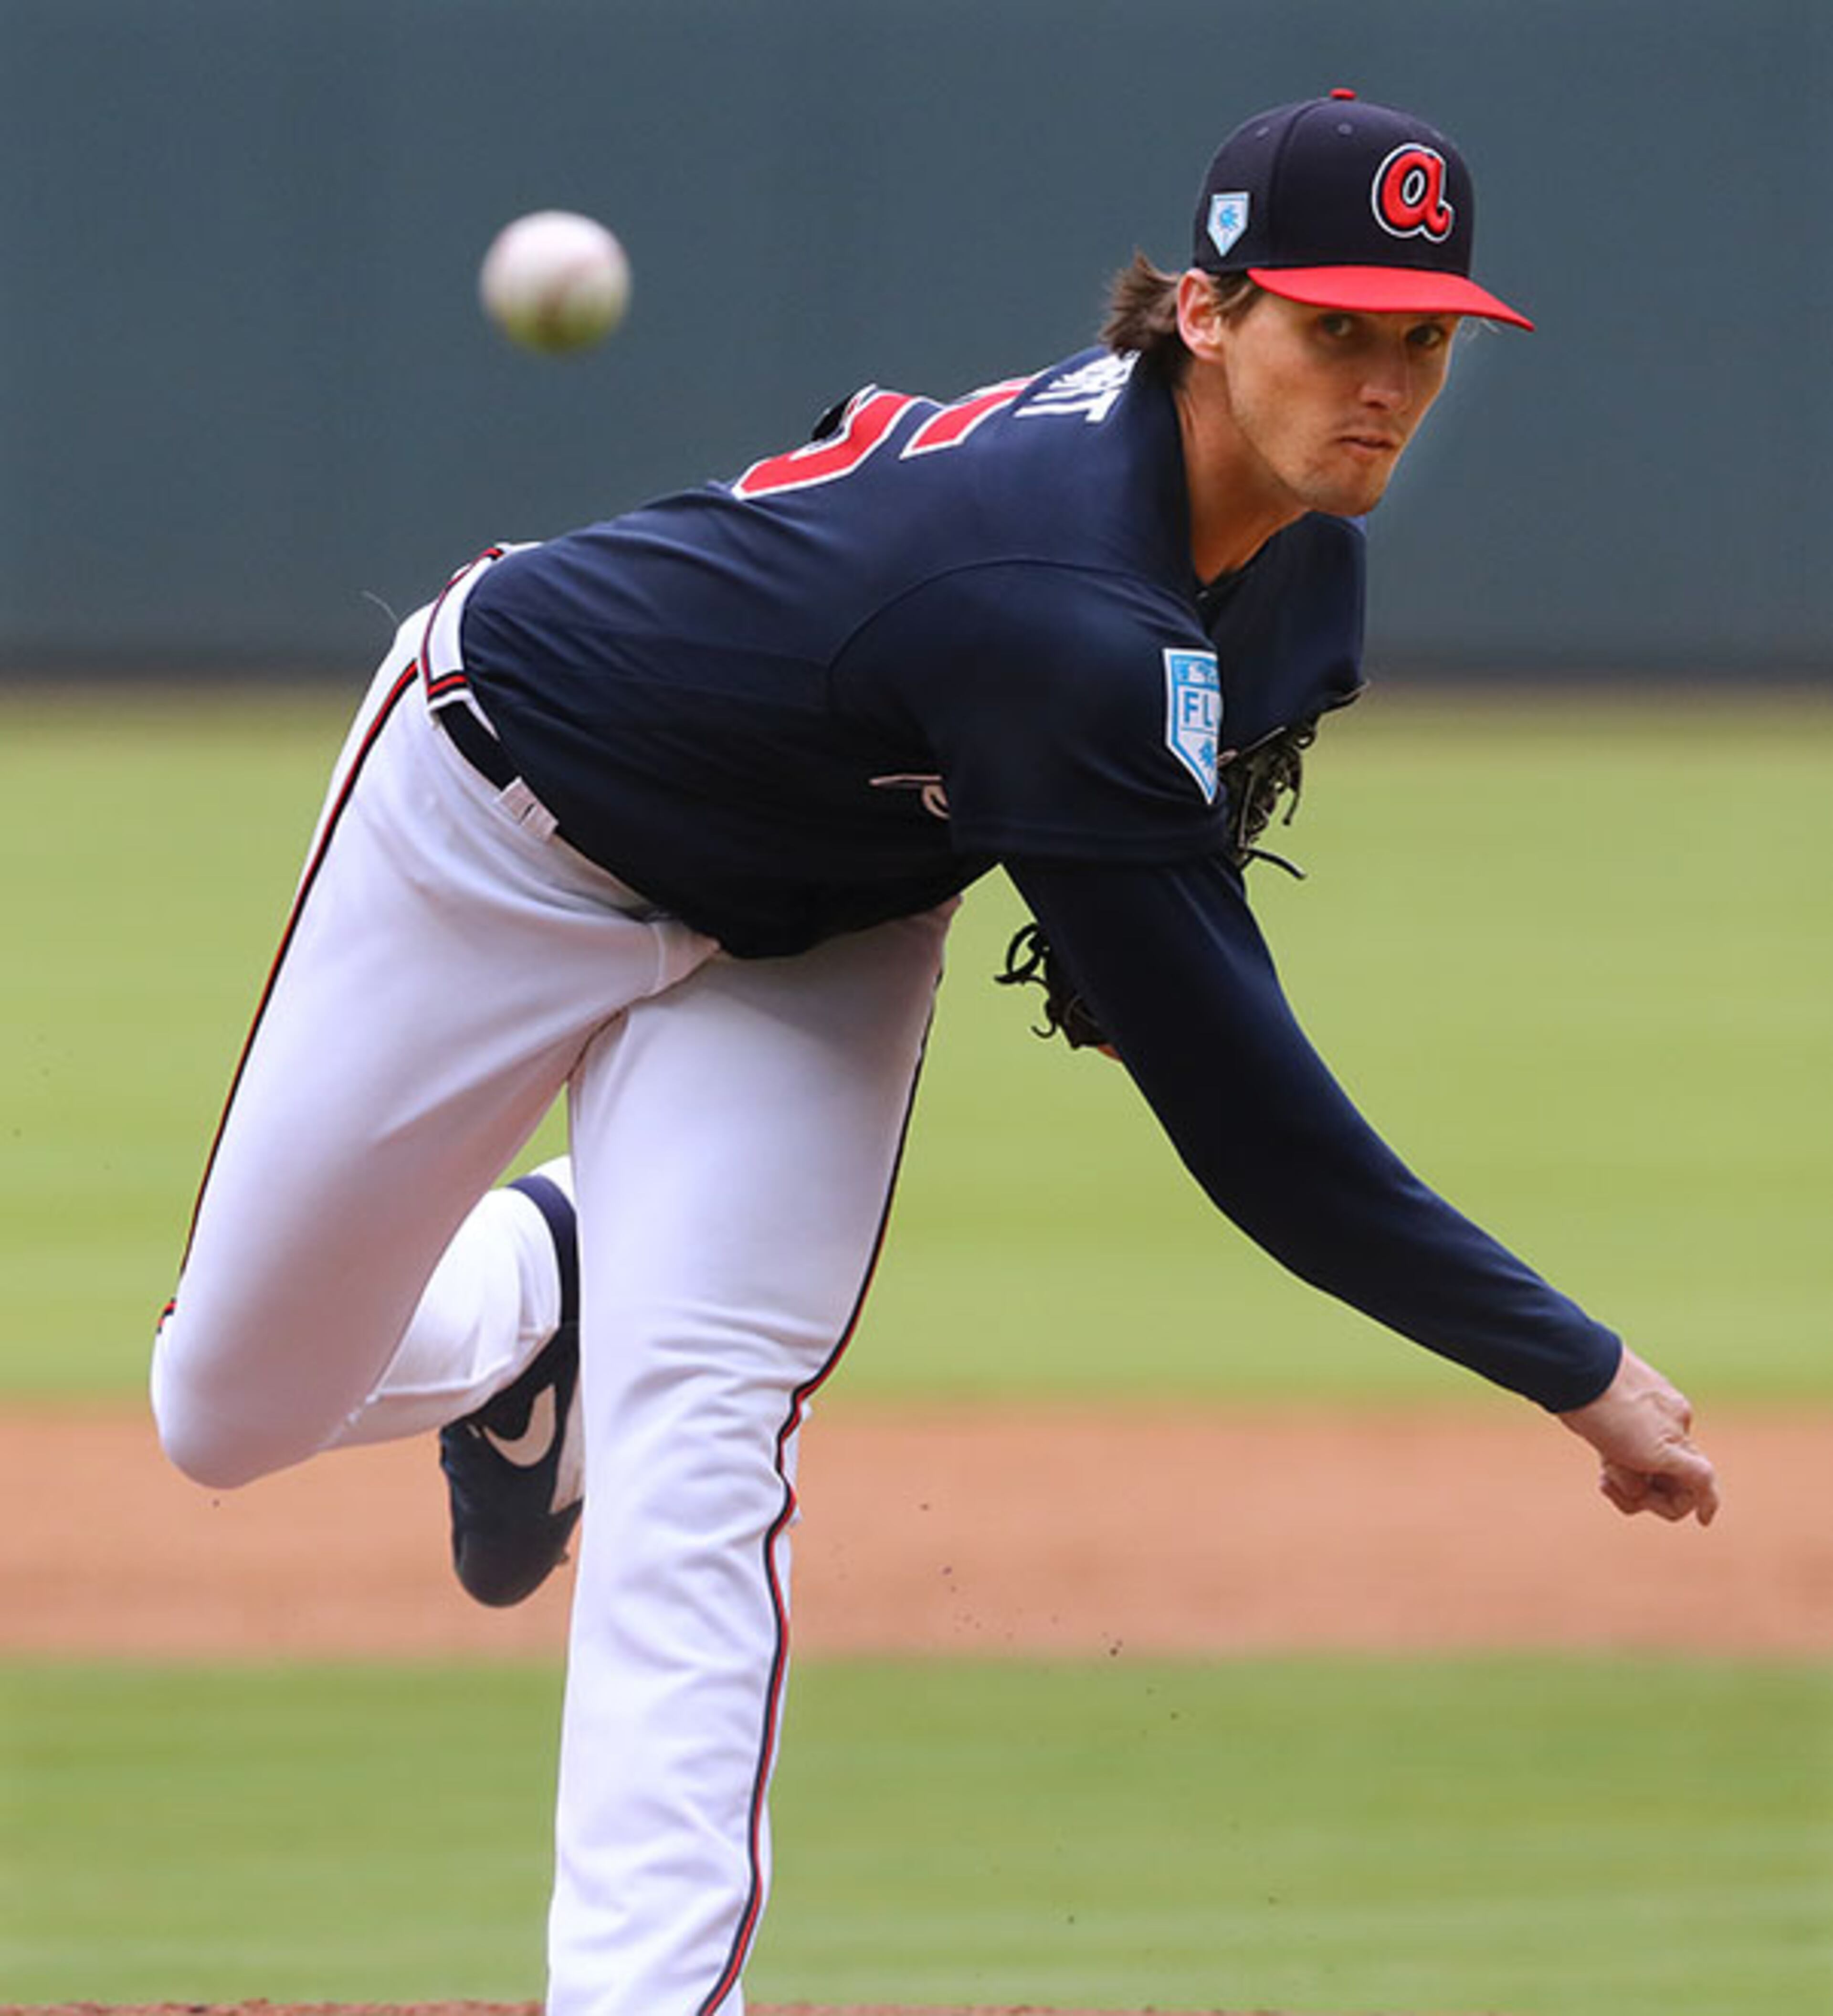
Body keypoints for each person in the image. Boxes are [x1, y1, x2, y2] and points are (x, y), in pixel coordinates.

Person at [152, 89, 1720, 2016]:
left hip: (823, 920)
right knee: (227, 1412)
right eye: (1336, 328)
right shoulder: (1056, 601)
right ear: (1206, 314)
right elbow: (1250, 1120)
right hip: (497, 809)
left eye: (1424, 337)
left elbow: (1153, 831)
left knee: (705, 1435)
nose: (1385, 383)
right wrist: (1569, 1362)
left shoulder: (1299, 548)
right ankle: (552, 1283)